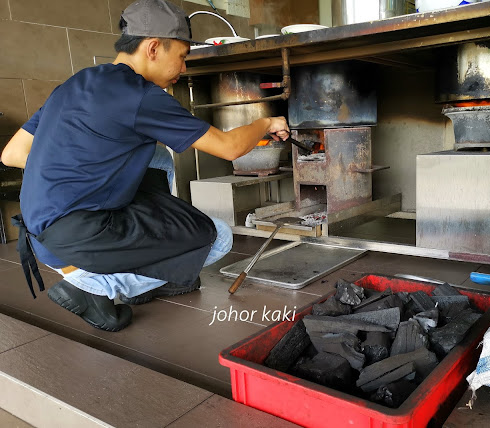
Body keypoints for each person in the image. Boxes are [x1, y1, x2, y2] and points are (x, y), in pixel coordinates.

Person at [0, 0, 290, 332]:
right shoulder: (140, 96)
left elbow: (12, 154)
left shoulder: (75, 84)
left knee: (157, 157)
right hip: (80, 237)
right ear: (153, 48)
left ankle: (142, 271)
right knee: (218, 237)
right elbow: (229, 147)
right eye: (181, 57)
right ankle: (95, 288)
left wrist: (87, 171)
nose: (182, 69)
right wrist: (267, 121)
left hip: (40, 233)